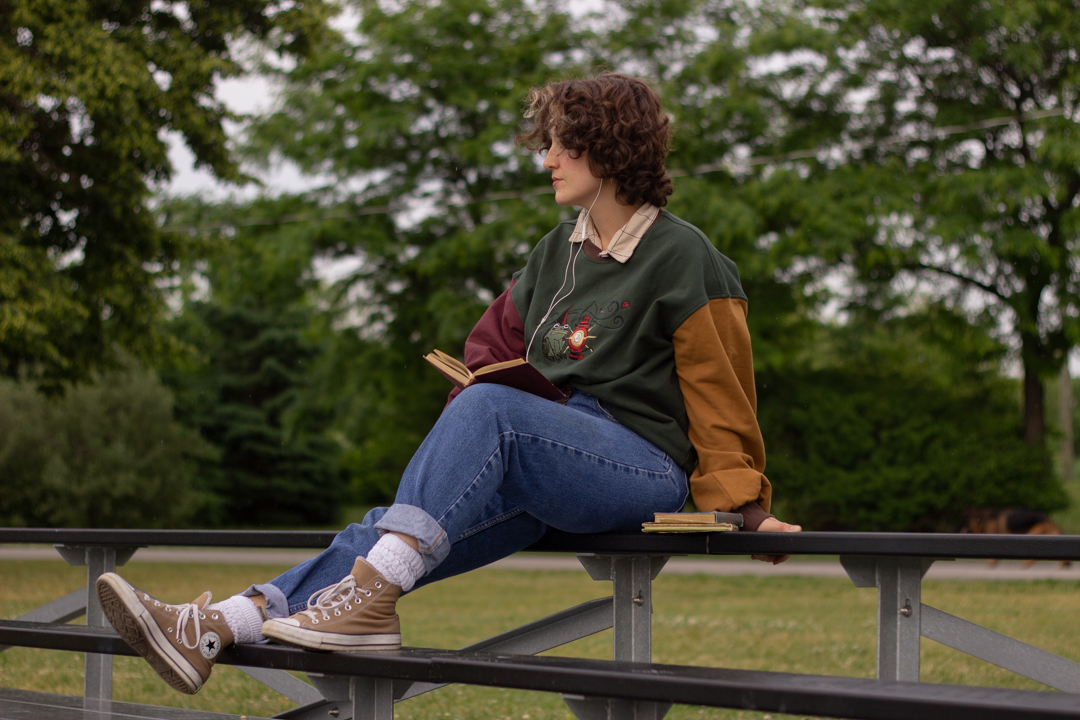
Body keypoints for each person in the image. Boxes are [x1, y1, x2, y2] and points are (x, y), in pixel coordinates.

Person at [96, 73, 801, 696]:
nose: (546, 159)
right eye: (546, 143)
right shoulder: (556, 251)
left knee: (491, 412)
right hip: (543, 456)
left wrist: (747, 509)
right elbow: (492, 346)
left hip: (640, 466)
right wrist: (472, 438)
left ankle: (367, 607)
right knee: (386, 529)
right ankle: (221, 624)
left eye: (562, 144)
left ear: (611, 149)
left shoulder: (686, 256)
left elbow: (722, 394)